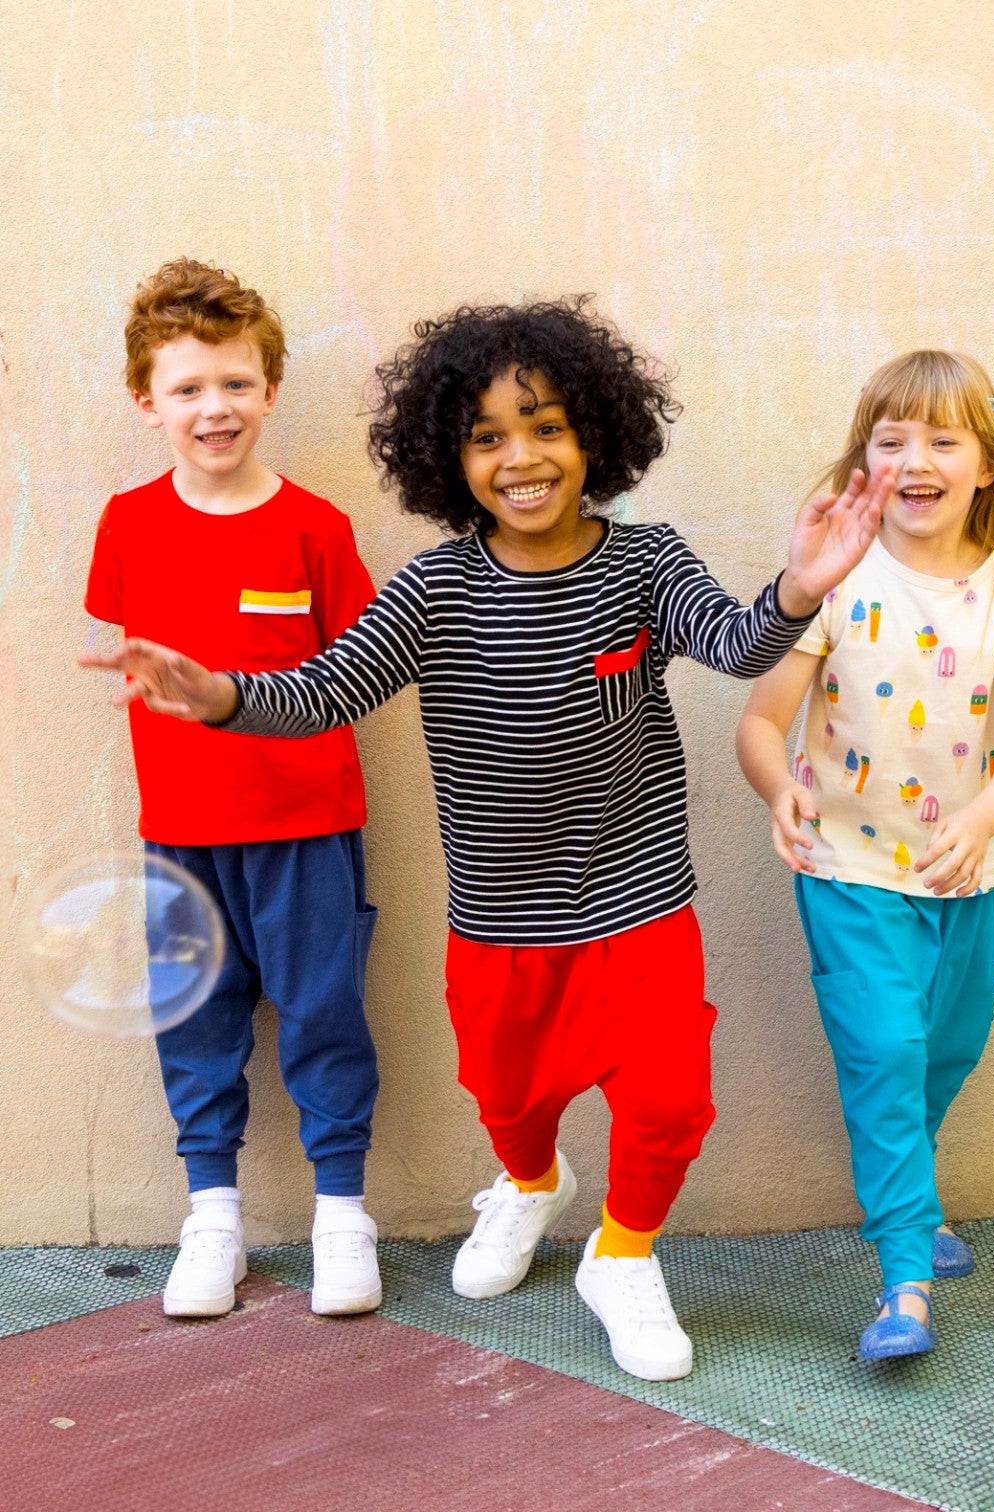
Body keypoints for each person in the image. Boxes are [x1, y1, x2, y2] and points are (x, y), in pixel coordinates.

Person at [83, 297, 890, 1380]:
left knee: (669, 1100)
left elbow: (742, 645)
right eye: (487, 435)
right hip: (499, 923)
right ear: (446, 459)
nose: (523, 457)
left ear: (595, 434)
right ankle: (528, 1180)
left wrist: (801, 584)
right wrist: (224, 696)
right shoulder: (435, 590)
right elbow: (324, 690)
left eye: (547, 425)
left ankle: (624, 1254)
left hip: (637, 901)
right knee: (508, 1100)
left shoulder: (647, 565)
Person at [736, 350, 994, 1358]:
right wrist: (776, 786)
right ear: (864, 461)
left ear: (986, 467)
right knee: (886, 1052)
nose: (915, 459)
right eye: (891, 440)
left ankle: (911, 1188)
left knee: (947, 1048)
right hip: (847, 870)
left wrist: (985, 815)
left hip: (965, 872)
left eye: (941, 439)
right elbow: (761, 719)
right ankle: (904, 1283)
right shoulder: (834, 582)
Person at [84, 258, 383, 1319]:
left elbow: (354, 674)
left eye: (236, 384)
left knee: (324, 1015)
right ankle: (212, 1216)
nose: (215, 409)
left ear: (270, 388)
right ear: (147, 402)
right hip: (182, 835)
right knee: (198, 1025)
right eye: (188, 388)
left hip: (308, 829)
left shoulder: (314, 529)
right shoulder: (126, 527)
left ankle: (343, 1215)